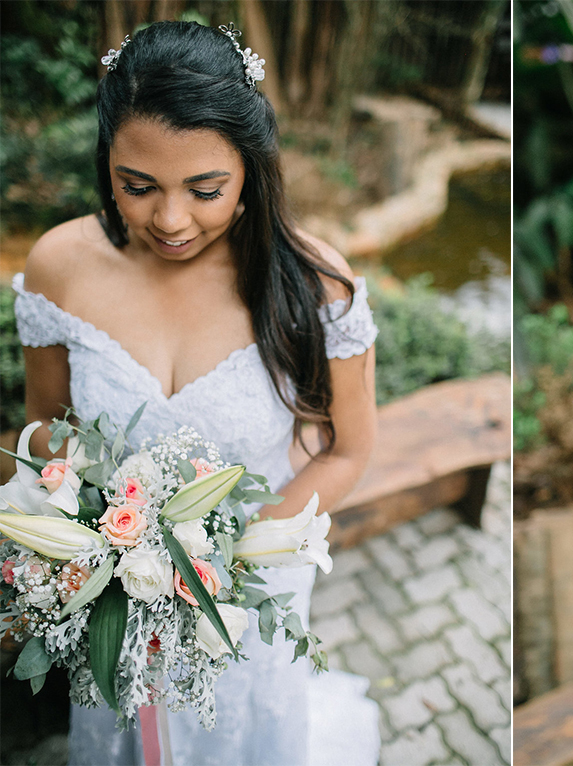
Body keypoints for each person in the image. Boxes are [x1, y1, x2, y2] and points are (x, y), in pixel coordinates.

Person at [12, 21, 380, 765]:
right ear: (106, 161)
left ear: (251, 168)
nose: (171, 221)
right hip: (115, 584)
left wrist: (220, 566)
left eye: (205, 189)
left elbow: (348, 448)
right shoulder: (60, 265)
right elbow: (45, 427)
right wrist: (95, 542)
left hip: (249, 585)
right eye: (136, 186)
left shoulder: (314, 285)